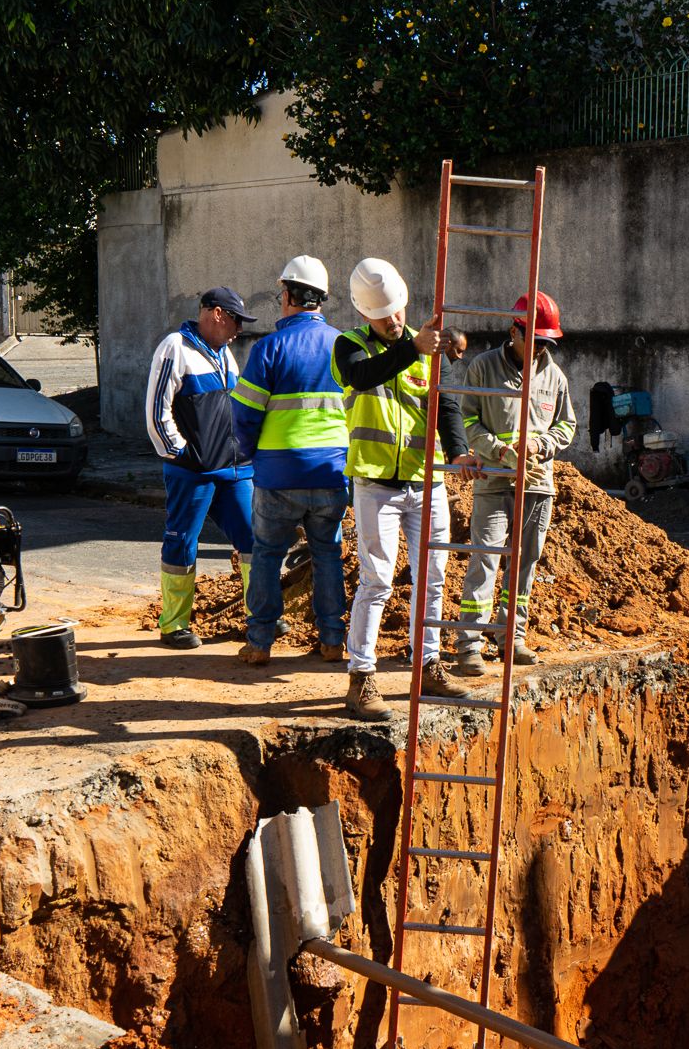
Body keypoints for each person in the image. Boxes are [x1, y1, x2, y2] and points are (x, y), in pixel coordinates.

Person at [333, 259, 478, 720]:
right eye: (383, 315)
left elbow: (447, 406)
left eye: (397, 311)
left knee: (432, 578)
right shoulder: (349, 346)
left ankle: (427, 663)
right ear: (364, 314)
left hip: (427, 481)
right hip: (376, 483)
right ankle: (361, 677)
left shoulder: (428, 347)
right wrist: (413, 348)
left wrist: (457, 453)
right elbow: (361, 377)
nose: (393, 321)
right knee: (376, 580)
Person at [230, 256, 349, 666]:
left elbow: (245, 414)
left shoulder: (269, 348)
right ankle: (333, 640)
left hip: (278, 474)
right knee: (327, 554)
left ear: (289, 296)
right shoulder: (344, 347)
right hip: (332, 471)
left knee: (266, 554)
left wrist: (244, 455)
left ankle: (260, 643)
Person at [454, 292, 577, 677]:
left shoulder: (554, 376)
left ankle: (512, 637)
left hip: (537, 483)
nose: (540, 347)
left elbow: (566, 425)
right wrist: (497, 450)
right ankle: (469, 644)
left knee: (523, 564)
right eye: (535, 339)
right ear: (514, 331)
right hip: (493, 481)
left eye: (546, 342)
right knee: (485, 557)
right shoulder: (483, 367)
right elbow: (468, 419)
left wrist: (542, 444)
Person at [145, 286, 258, 649]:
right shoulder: (174, 348)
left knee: (254, 538)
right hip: (191, 471)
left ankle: (262, 616)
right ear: (216, 314)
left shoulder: (226, 356)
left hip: (234, 469)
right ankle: (174, 624)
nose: (239, 329)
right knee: (182, 542)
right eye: (236, 320)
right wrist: (179, 453)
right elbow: (156, 411)